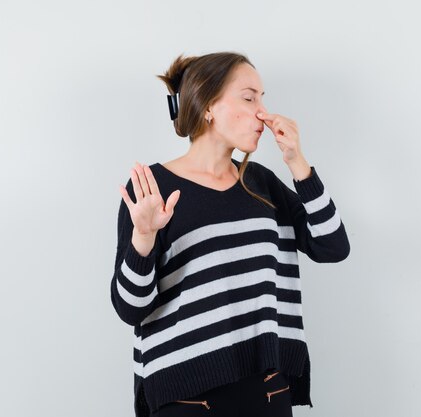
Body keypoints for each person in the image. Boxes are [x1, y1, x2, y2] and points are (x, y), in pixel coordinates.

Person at [110, 51, 350, 417]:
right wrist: (142, 239)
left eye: (263, 98)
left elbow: (332, 245)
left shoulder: (261, 183)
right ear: (207, 106)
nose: (262, 112)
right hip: (187, 398)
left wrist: (298, 163)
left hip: (266, 393)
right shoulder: (153, 188)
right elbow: (131, 308)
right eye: (249, 97)